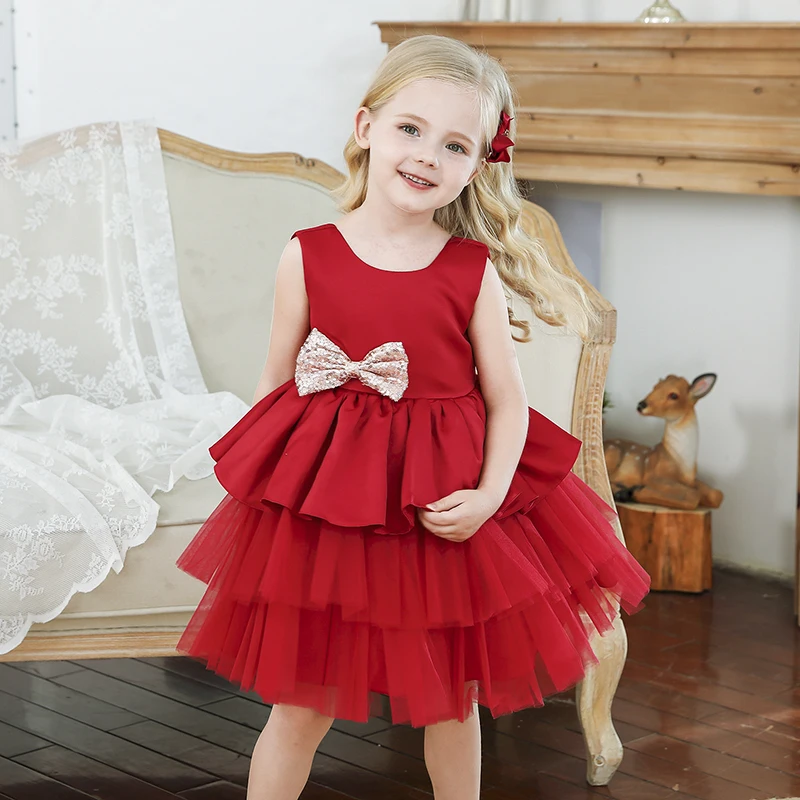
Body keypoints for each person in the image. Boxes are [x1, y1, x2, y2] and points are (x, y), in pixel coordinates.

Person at [175, 33, 650, 800]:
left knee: (451, 703)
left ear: (478, 165)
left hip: (442, 508)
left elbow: (507, 401)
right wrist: (263, 498)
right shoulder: (307, 254)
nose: (428, 155)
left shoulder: (469, 271)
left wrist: (490, 496)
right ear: (367, 128)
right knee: (299, 706)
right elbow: (275, 384)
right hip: (333, 515)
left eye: (455, 144)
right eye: (410, 129)